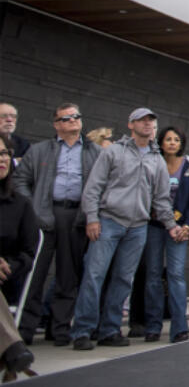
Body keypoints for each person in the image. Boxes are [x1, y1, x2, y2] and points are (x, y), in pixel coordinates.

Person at [71, 108, 189, 350]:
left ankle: (110, 330)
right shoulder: (114, 151)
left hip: (138, 227)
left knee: (124, 279)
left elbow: (162, 199)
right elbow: (94, 187)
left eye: (151, 121)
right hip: (108, 221)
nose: (147, 125)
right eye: (142, 121)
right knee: (94, 275)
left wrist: (171, 227)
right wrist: (92, 218)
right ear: (130, 125)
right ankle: (83, 330)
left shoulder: (156, 160)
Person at [12, 103, 101, 346]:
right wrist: (32, 209)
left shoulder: (95, 152)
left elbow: (103, 184)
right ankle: (25, 329)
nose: (73, 121)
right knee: (35, 274)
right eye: (67, 118)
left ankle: (59, 329)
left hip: (76, 217)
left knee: (67, 275)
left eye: (76, 117)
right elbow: (20, 180)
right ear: (56, 124)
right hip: (42, 215)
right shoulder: (39, 150)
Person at [143, 126, 189, 342]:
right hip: (154, 225)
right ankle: (153, 326)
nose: (172, 142)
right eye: (168, 139)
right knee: (153, 275)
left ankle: (179, 328)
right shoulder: (152, 163)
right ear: (161, 142)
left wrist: (187, 225)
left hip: (179, 229)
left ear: (181, 143)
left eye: (176, 139)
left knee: (176, 275)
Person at [0, 134, 38, 307]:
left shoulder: (20, 204)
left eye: (4, 153)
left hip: (5, 280)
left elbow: (28, 254)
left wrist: (9, 265)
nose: (2, 159)